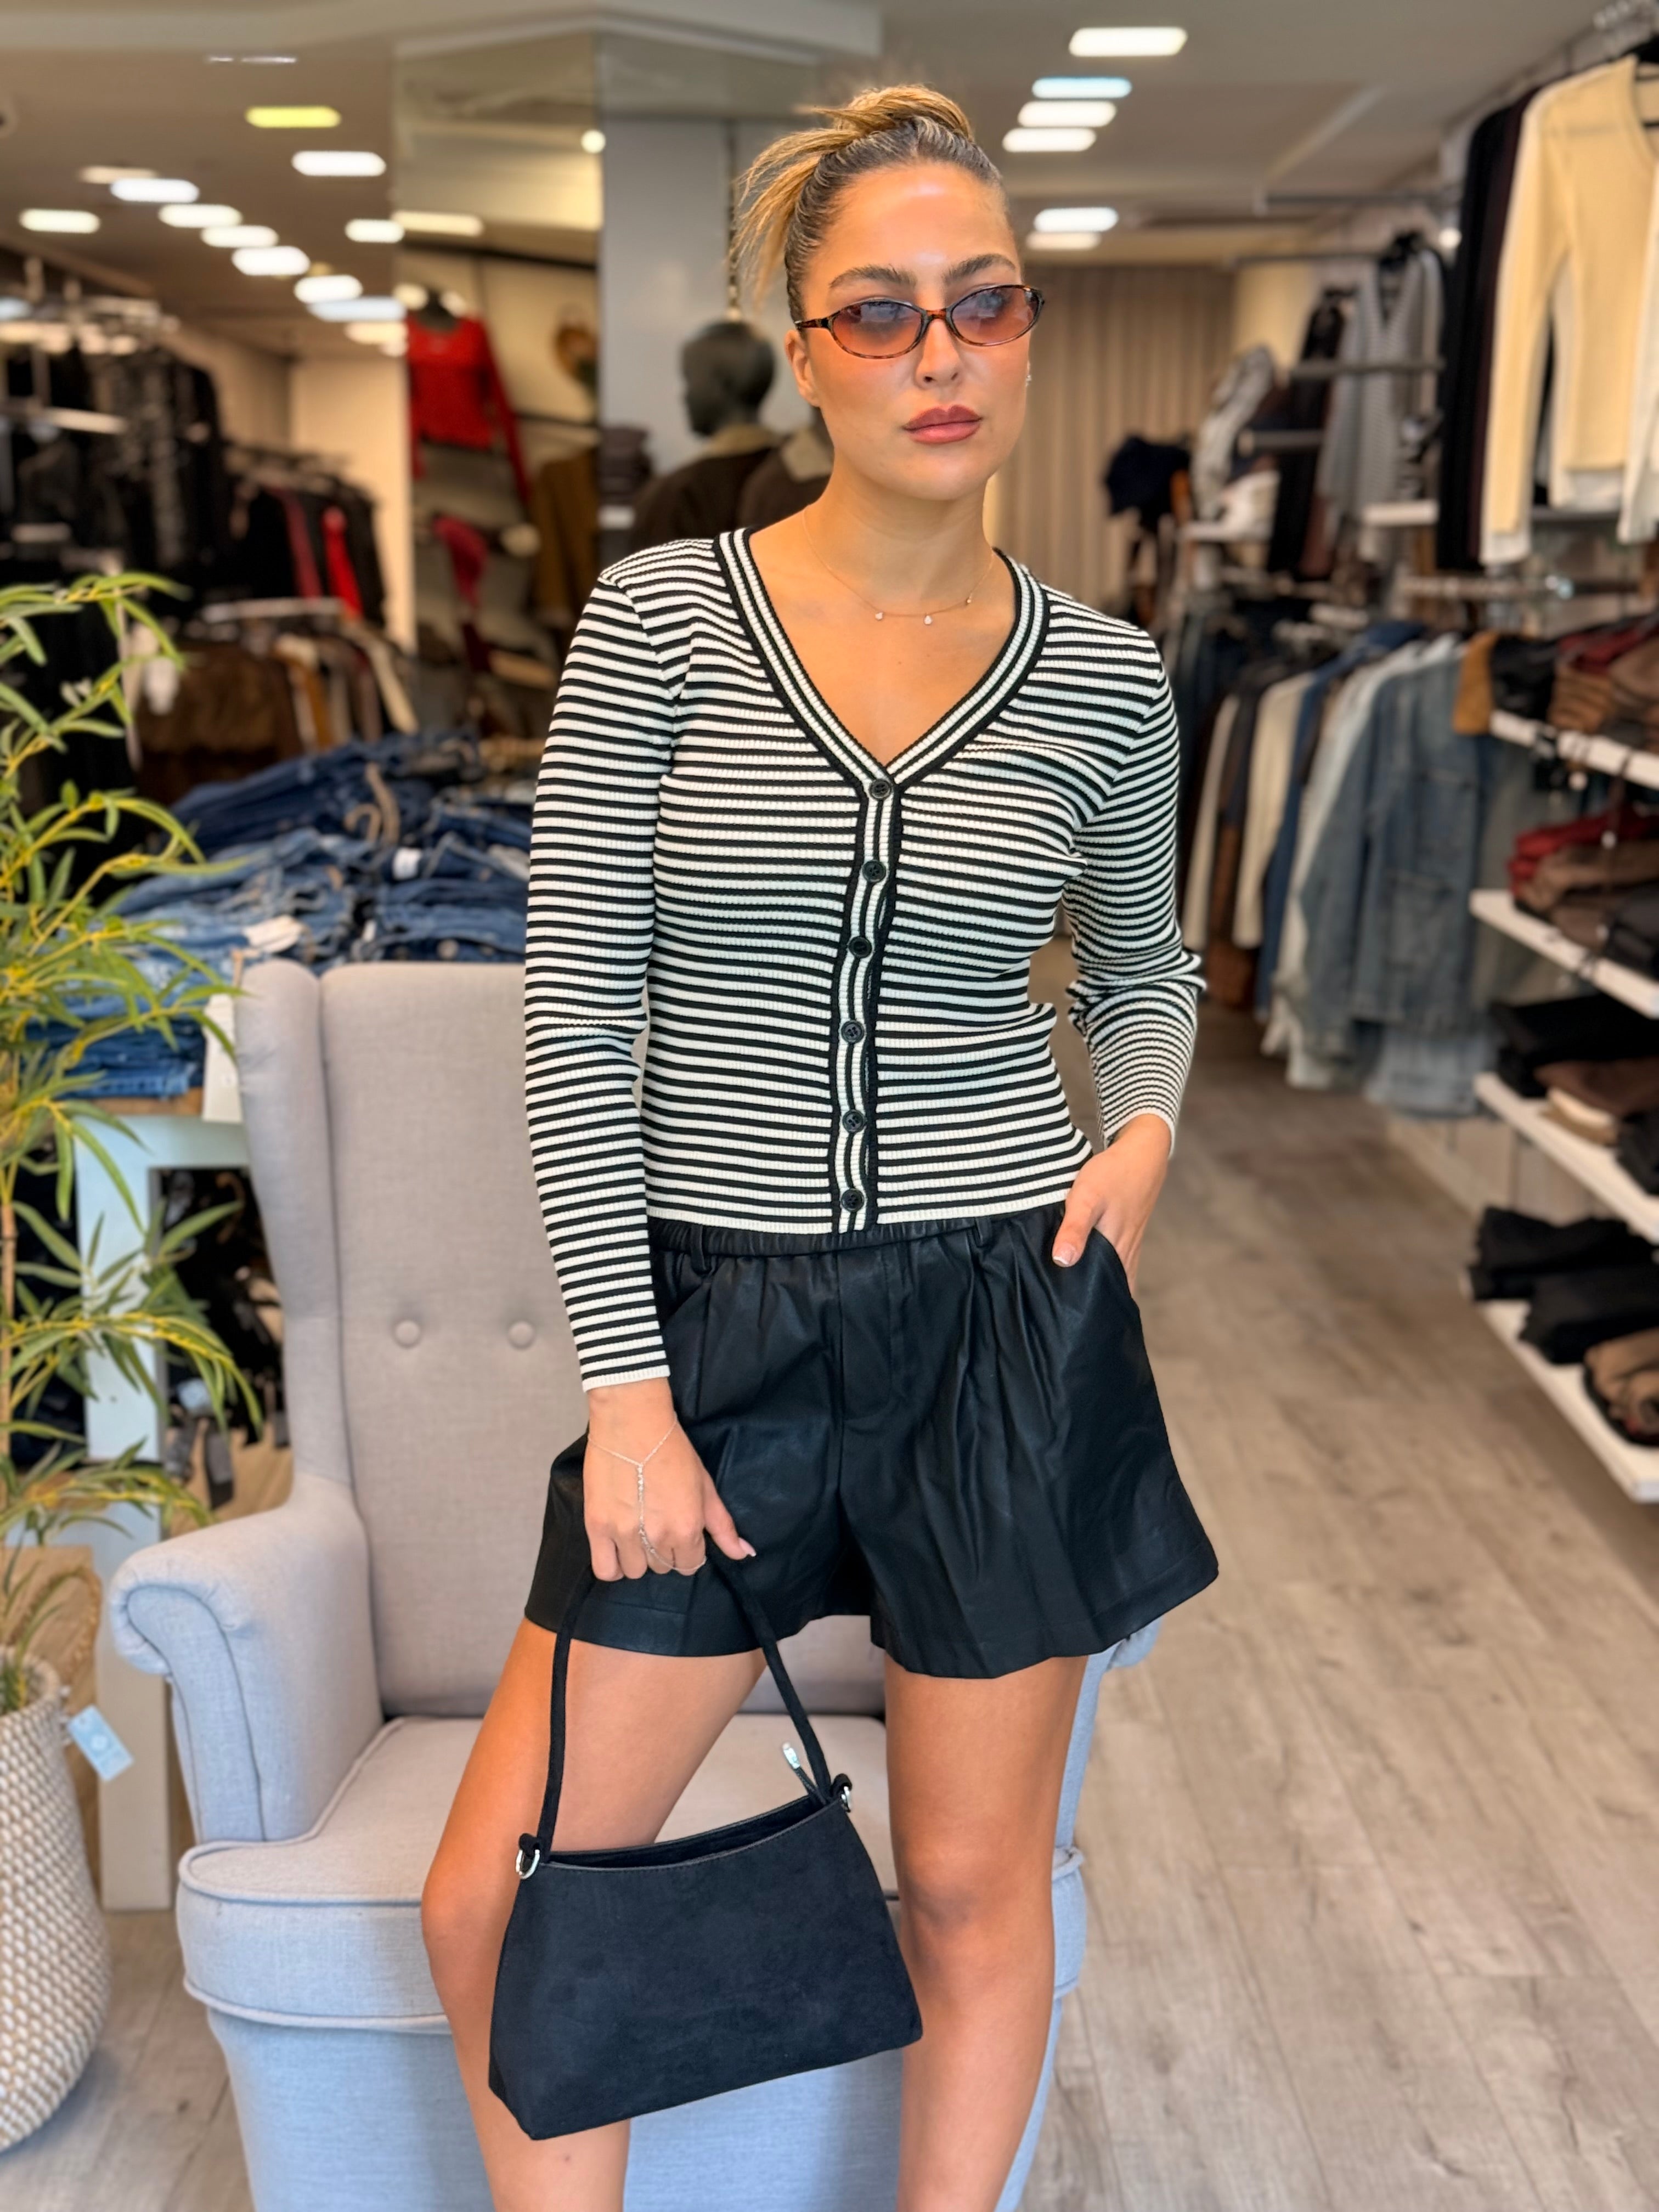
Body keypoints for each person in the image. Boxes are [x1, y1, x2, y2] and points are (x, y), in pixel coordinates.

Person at [421, 83, 1218, 2212]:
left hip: (999, 1324)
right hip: (716, 1338)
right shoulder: (663, 624)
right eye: (881, 312)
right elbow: (579, 1019)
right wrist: (630, 1395)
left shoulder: (1109, 681)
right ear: (804, 349)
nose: (939, 353)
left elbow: (1145, 969)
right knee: (501, 1897)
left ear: (1028, 332)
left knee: (967, 1890)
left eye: (984, 303)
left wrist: (1141, 1131)